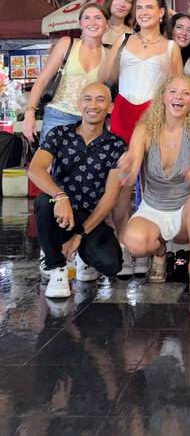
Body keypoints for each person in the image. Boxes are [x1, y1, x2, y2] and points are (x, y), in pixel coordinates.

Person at [99, 0, 183, 274]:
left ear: (162, 13)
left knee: (153, 181)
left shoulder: (172, 48)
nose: (144, 11)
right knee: (121, 182)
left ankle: (154, 245)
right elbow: (105, 78)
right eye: (140, 7)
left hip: (154, 115)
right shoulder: (123, 40)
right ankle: (125, 245)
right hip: (123, 112)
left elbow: (177, 90)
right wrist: (112, 49)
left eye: (150, 7)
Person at [28, 83, 126, 298]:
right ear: (79, 104)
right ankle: (57, 268)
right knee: (44, 202)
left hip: (90, 218)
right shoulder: (59, 134)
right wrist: (60, 196)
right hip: (59, 211)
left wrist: (80, 234)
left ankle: (81, 253)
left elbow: (110, 197)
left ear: (110, 107)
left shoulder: (117, 146)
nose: (93, 105)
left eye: (100, 99)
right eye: (88, 99)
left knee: (112, 265)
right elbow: (35, 170)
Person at [118, 76, 190, 294]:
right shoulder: (144, 129)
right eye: (173, 92)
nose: (178, 97)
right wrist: (125, 169)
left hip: (185, 214)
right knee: (133, 242)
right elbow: (131, 171)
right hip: (153, 208)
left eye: (186, 93)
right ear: (162, 97)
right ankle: (160, 251)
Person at [23, 2, 108, 143]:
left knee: (85, 165)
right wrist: (29, 113)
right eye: (87, 18)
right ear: (80, 23)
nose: (92, 22)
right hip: (58, 115)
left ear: (107, 24)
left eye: (98, 18)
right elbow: (42, 80)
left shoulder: (110, 54)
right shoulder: (67, 44)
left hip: (91, 121)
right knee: (50, 163)